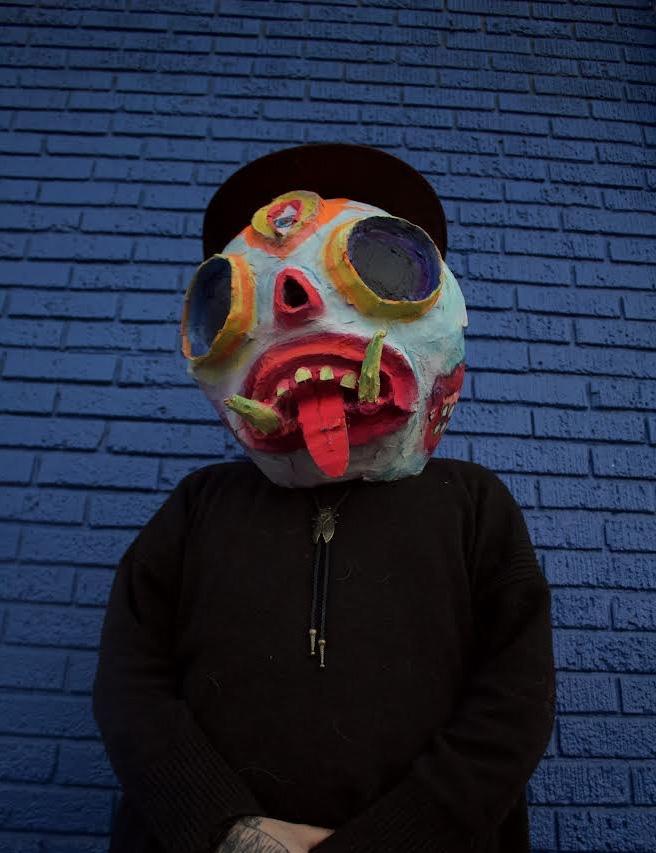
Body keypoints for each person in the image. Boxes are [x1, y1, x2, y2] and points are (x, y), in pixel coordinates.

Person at [93, 143, 556, 853]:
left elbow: (515, 702)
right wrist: (226, 830)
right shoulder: (198, 506)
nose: (297, 296)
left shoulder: (475, 507)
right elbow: (130, 686)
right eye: (234, 295)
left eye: (380, 265)